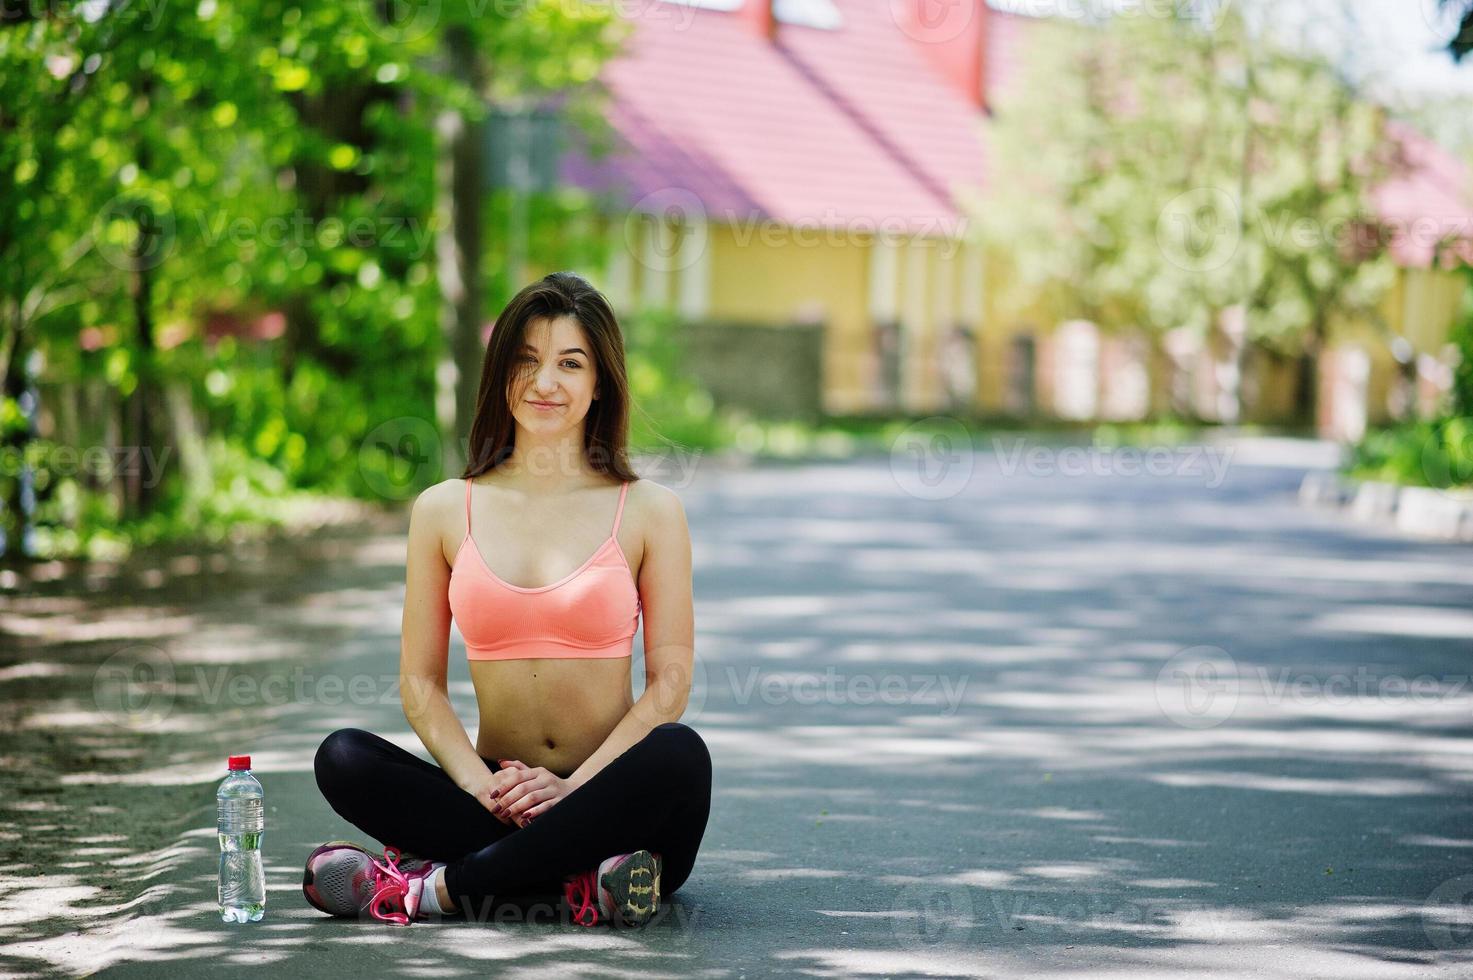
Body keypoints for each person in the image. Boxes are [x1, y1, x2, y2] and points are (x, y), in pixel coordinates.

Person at [302, 272, 711, 928]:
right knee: (343, 758)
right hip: (492, 797)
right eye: (527, 360)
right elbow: (420, 686)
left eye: (570, 364)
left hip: (615, 793)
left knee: (680, 753)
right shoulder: (443, 509)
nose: (545, 382)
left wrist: (575, 791)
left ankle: (431, 888)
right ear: (500, 374)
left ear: (599, 381)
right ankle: (581, 883)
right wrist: (479, 784)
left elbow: (670, 685)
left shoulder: (649, 512)